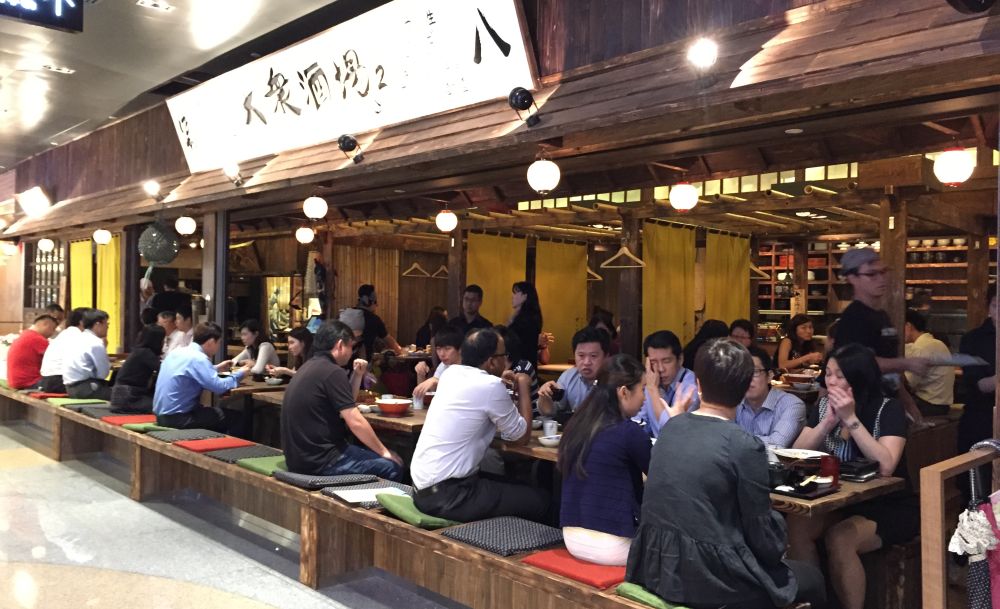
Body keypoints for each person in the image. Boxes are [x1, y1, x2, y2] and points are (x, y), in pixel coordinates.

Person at [626, 339, 826, 609]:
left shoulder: (671, 427)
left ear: (698, 384)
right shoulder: (744, 444)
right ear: (743, 388)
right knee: (812, 578)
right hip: (711, 579)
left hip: (655, 566)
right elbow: (761, 532)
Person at [788, 343, 914, 609]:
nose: (830, 381)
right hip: (840, 502)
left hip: (888, 505)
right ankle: (814, 604)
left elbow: (886, 466)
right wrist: (827, 423)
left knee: (840, 538)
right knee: (797, 525)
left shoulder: (887, 408)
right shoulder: (824, 406)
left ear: (859, 378)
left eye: (839, 375)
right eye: (828, 373)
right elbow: (796, 453)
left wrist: (851, 418)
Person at [411, 328, 547, 523]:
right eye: (503, 355)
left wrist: (498, 381)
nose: (505, 360)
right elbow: (522, 436)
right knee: (541, 500)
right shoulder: (491, 386)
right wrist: (524, 385)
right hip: (450, 497)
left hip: (422, 491)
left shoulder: (450, 374)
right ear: (492, 362)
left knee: (517, 485)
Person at [281, 320, 403, 480]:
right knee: (392, 466)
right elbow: (355, 422)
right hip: (322, 462)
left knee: (370, 455)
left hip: (298, 461)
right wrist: (384, 452)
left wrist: (357, 375)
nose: (352, 352)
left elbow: (346, 403)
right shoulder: (332, 371)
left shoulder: (309, 367)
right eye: (351, 346)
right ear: (339, 345)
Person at [559, 354, 651, 566]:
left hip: (571, 540)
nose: (645, 398)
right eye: (643, 389)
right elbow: (661, 476)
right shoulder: (629, 432)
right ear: (624, 392)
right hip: (615, 547)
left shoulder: (576, 425)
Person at [832, 247, 931, 423]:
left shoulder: (882, 316)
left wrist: (908, 403)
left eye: (883, 272)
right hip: (861, 409)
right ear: (852, 278)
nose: (881, 278)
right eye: (871, 274)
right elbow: (858, 363)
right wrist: (906, 363)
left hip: (887, 404)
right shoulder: (853, 317)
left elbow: (890, 369)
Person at [153, 323, 251, 431]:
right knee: (236, 417)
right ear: (211, 342)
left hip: (161, 416)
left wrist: (215, 368)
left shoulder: (178, 352)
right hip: (179, 419)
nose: (219, 347)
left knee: (213, 414)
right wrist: (240, 374)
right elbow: (219, 387)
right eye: (219, 343)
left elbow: (188, 372)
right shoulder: (199, 358)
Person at [958, 284, 997, 500]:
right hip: (980, 422)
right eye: (997, 305)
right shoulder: (973, 340)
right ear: (989, 308)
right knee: (976, 493)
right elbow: (981, 385)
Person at [736, 347, 806, 448]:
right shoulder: (734, 403)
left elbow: (776, 444)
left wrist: (733, 441)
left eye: (755, 372)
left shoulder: (792, 405)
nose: (747, 378)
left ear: (769, 376)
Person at [635, 330, 699, 438]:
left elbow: (671, 434)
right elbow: (640, 421)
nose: (660, 369)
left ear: (680, 359)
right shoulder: (650, 381)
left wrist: (653, 391)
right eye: (654, 362)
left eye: (666, 361)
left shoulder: (691, 386)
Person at [538, 326, 609, 419]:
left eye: (593, 356)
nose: (586, 362)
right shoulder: (568, 377)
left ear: (606, 357)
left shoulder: (615, 380)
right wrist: (545, 396)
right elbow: (550, 411)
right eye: (581, 355)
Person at [903, 308, 954, 417]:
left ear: (908, 326)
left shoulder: (922, 347)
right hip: (942, 405)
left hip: (929, 405)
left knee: (888, 405)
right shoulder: (936, 343)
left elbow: (909, 382)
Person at [110, 325, 165, 413]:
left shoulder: (139, 351)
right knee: (164, 406)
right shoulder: (146, 353)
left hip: (121, 396)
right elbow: (164, 371)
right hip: (129, 397)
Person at [63, 309, 112, 400]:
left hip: (70, 388)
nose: (108, 327)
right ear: (97, 324)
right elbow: (103, 374)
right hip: (87, 389)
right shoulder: (96, 343)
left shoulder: (78, 338)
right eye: (106, 324)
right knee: (124, 395)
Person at [39, 307, 87, 393]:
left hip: (48, 381)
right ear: (82, 322)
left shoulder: (66, 333)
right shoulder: (78, 335)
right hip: (59, 381)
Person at [413, 324, 464, 401]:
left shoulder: (469, 366)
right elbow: (428, 395)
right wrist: (421, 374)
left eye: (447, 348)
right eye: (438, 349)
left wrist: (437, 381)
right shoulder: (443, 365)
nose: (442, 354)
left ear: (460, 349)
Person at [6, 314, 58, 389]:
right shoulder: (38, 339)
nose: (52, 333)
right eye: (53, 329)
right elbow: (54, 361)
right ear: (45, 324)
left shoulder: (24, 335)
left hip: (14, 381)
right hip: (29, 382)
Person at [355, 284, 403, 359]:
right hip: (363, 362)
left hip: (343, 362)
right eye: (375, 301)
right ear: (368, 301)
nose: (376, 305)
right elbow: (391, 343)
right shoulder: (374, 319)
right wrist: (400, 351)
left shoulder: (344, 315)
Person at [508, 281, 543, 368]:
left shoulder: (528, 319)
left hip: (522, 365)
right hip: (523, 363)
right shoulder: (526, 316)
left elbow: (513, 341)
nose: (512, 296)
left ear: (525, 295)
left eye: (516, 293)